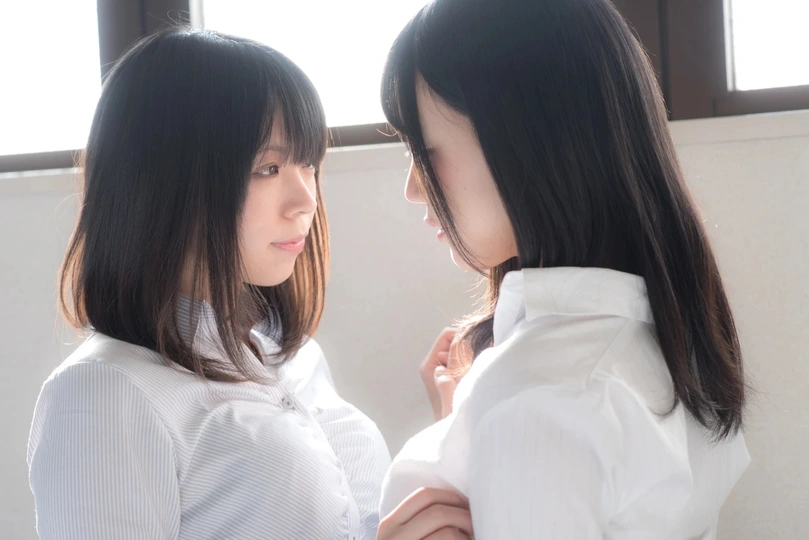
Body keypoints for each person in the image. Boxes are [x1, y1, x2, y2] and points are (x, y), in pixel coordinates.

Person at [376, 0, 750, 538]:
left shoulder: (538, 400)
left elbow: (548, 421)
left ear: (527, 141)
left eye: (425, 149)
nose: (413, 188)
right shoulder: (667, 337)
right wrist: (465, 431)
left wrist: (495, 421)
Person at [27, 28, 390, 539]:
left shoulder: (289, 355)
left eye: (308, 163)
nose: (305, 200)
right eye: (268, 168)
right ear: (168, 180)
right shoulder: (106, 392)